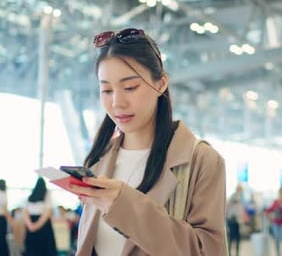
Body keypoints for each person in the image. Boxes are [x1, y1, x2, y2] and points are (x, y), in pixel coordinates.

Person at [69, 28, 227, 256]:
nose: (117, 102)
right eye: (106, 90)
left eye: (130, 87)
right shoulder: (98, 161)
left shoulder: (201, 161)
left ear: (161, 83)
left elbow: (208, 251)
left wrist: (124, 205)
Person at [23, 177, 57, 256]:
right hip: (43, 225)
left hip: (33, 224)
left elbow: (25, 212)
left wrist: (31, 226)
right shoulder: (47, 194)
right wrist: (33, 226)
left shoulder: (31, 196)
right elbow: (47, 213)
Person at [265, 187, 282, 256]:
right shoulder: (275, 202)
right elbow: (269, 210)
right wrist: (269, 216)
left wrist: (281, 203)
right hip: (276, 223)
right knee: (276, 240)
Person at [226, 184, 247, 256]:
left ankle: (237, 253)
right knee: (231, 238)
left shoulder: (241, 198)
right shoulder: (234, 196)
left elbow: (241, 209)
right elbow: (231, 204)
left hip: (238, 220)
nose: (241, 191)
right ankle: (229, 253)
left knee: (238, 238)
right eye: (240, 189)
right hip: (232, 220)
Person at [0, 179, 13, 256]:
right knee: (2, 239)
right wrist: (11, 221)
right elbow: (5, 210)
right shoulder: (3, 194)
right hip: (1, 219)